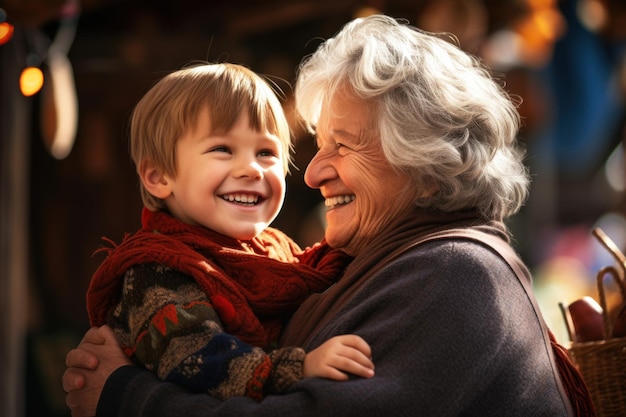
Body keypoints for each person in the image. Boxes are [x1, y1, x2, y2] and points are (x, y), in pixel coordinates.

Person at [63, 14, 594, 417]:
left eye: (342, 145)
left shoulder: (456, 274)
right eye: (318, 145)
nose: (313, 174)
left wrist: (124, 394)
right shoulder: (361, 263)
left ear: (423, 160)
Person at [82, 62, 375, 403]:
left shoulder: (273, 251)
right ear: (159, 176)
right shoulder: (157, 270)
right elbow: (197, 358)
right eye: (222, 149)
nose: (250, 168)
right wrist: (300, 367)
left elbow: (318, 269)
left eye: (266, 153)